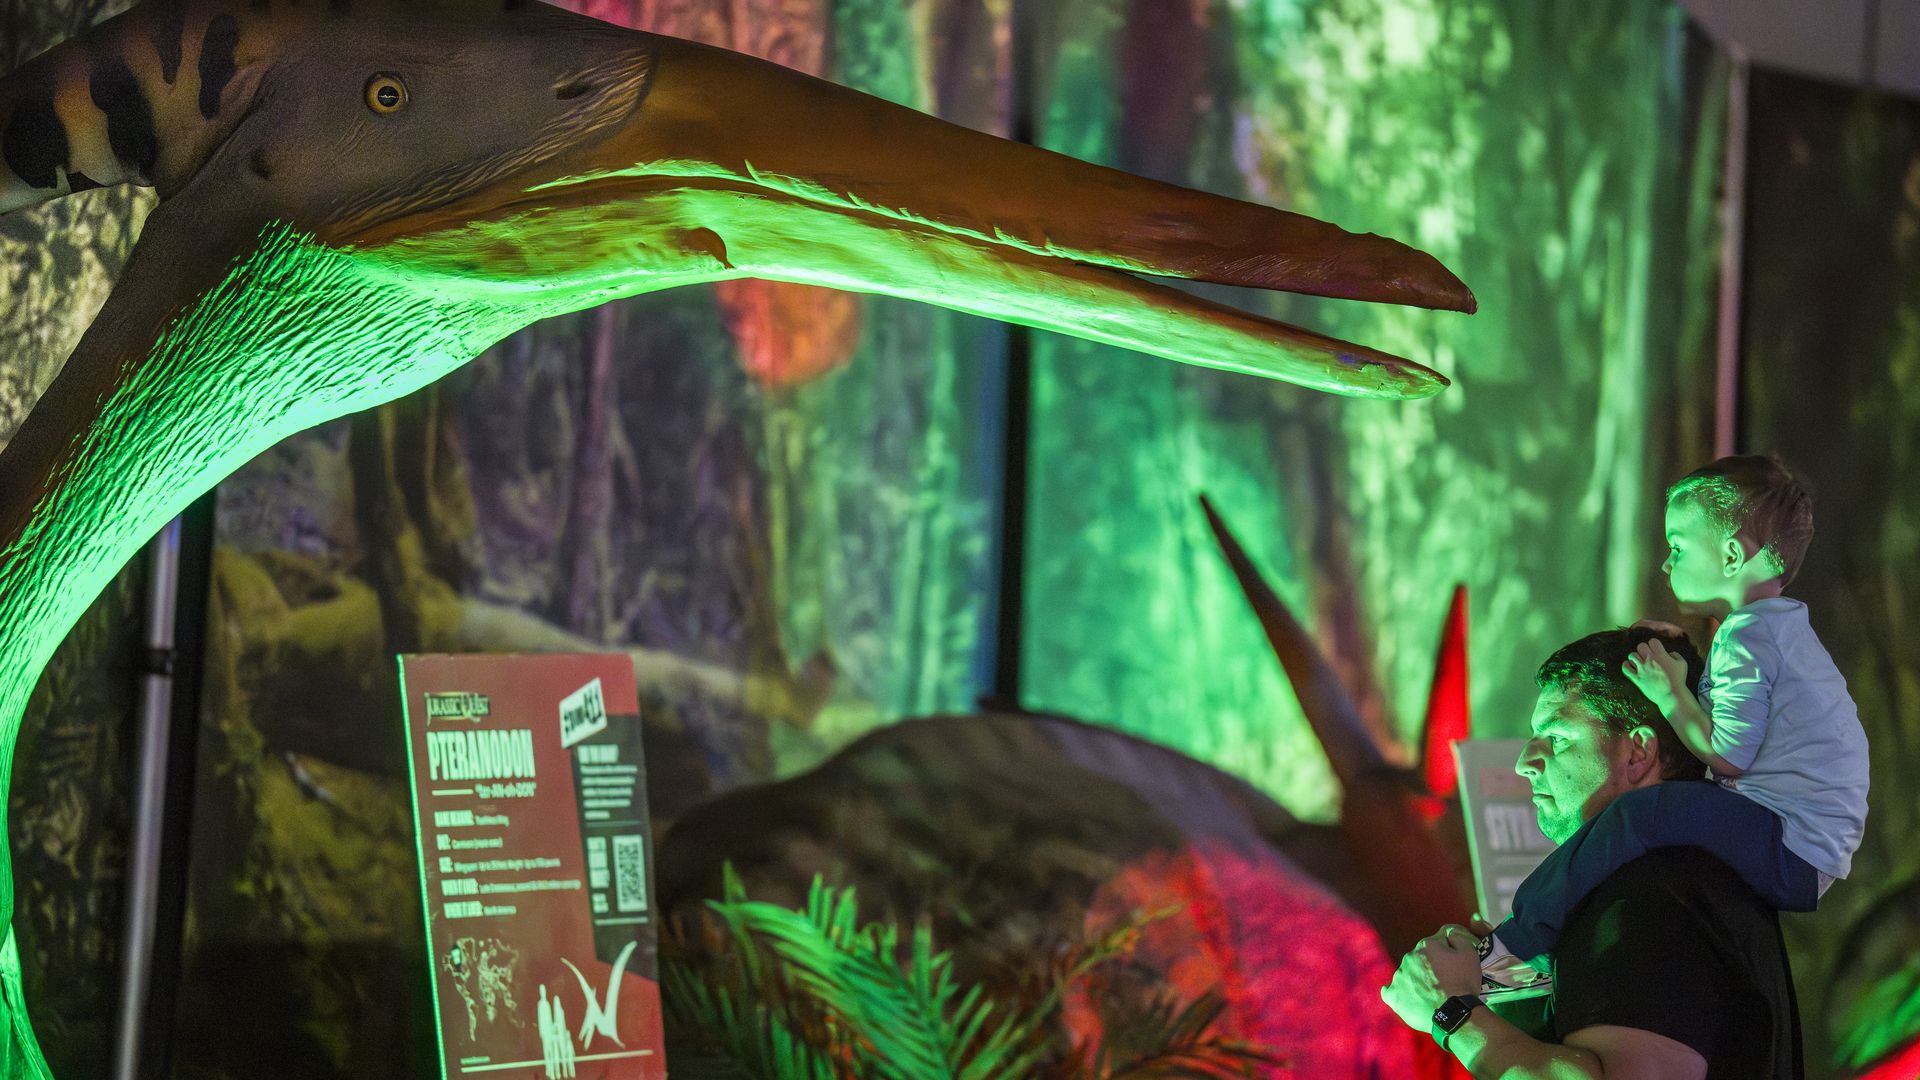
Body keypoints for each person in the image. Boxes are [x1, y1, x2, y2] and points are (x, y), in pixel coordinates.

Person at [1477, 455, 1868, 997]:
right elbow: (1741, 717)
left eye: (1678, 547)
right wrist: (1677, 665)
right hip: (1799, 846)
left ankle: (1516, 942)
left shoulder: (1749, 637)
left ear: (1731, 554)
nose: (1667, 564)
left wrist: (1669, 690)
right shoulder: (1772, 630)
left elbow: (1728, 755)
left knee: (1641, 815)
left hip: (1788, 842)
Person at [1383, 625, 1803, 1079]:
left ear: (1638, 753)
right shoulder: (1694, 880)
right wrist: (1521, 985)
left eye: (1558, 737)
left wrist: (1450, 1011)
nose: (1525, 760)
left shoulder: (1647, 900)